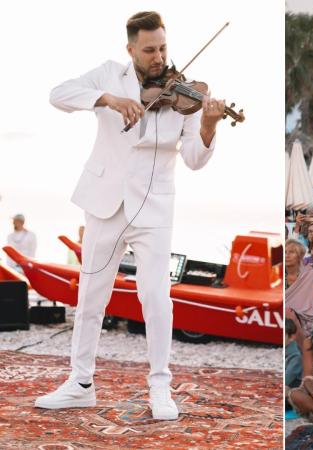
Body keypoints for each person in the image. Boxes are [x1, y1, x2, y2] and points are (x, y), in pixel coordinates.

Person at [35, 11, 225, 419]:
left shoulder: (185, 97)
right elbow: (59, 93)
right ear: (131, 49)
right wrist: (109, 99)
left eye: (163, 48)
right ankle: (80, 383)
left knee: (156, 297)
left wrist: (208, 126)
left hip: (155, 207)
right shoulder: (108, 75)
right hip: (104, 200)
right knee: (90, 297)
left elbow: (194, 158)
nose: (159, 58)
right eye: (150, 50)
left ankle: (161, 387)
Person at [285, 239, 313, 338]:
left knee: (288, 313)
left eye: (291, 252)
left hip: (305, 318)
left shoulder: (310, 274)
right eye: (285, 252)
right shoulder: (277, 275)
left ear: (300, 256)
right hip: (282, 316)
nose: (287, 255)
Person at [285, 319, 303, 407]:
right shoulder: (285, 349)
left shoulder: (296, 356)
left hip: (293, 387)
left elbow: (286, 379)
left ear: (291, 337)